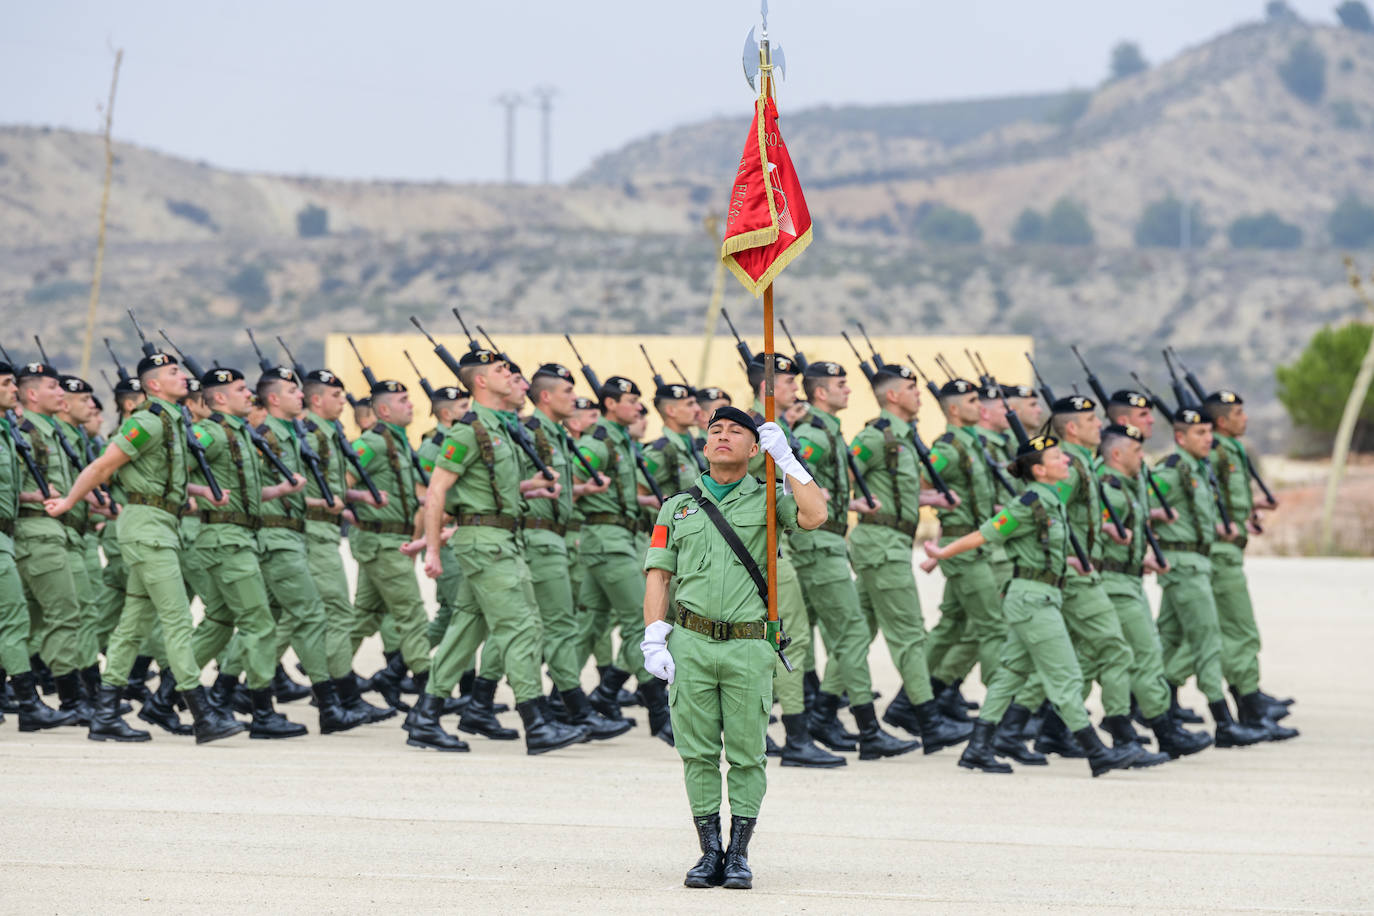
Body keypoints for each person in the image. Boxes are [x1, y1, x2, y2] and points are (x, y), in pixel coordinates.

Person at [642, 406, 826, 890]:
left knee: (747, 754)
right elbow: (660, 573)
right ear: (704, 447)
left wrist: (788, 461)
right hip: (692, 643)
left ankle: (739, 854)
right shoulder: (678, 506)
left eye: (736, 432)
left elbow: (815, 513)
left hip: (748, 644)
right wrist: (653, 636)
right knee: (697, 753)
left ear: (753, 447)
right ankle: (709, 853)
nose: (723, 437)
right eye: (715, 431)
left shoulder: (770, 500)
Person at [45, 351, 244, 744]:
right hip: (146, 529)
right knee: (176, 619)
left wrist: (206, 493)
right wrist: (69, 501)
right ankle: (202, 712)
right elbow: (103, 466)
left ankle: (105, 713)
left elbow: (164, 479)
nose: (182, 376)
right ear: (153, 385)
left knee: (133, 623)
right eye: (173, 373)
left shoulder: (174, 421)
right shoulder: (147, 421)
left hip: (159, 525)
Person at [925, 435, 1146, 777]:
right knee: (1066, 675)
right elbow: (985, 533)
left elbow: (1044, 548)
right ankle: (1097, 752)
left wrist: (1068, 563)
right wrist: (942, 553)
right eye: (1058, 457)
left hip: (1043, 595)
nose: (1066, 461)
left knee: (1012, 672)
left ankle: (978, 748)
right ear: (1040, 470)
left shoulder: (1052, 500)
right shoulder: (1028, 502)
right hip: (1032, 601)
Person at [407, 347, 585, 754]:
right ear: (482, 381)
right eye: (501, 370)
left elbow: (489, 493)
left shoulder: (500, 428)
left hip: (502, 538)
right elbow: (436, 493)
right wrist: (432, 550)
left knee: (468, 627)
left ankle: (425, 715)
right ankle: (536, 722)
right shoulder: (468, 429)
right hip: (486, 545)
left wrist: (532, 487)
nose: (511, 375)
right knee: (522, 627)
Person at [792, 359, 917, 760]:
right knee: (850, 634)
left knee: (834, 634)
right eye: (840, 385)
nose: (848, 390)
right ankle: (868, 730)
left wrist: (847, 500)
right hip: (816, 545)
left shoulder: (832, 429)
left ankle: (822, 718)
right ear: (820, 393)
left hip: (828, 542)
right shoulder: (813, 430)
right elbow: (787, 474)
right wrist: (816, 492)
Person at [847, 362, 972, 753]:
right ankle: (928, 722)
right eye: (911, 389)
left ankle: (819, 714)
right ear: (893, 396)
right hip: (880, 543)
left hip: (890, 542)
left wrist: (933, 498)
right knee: (910, 635)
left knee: (857, 632)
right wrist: (853, 503)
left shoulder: (903, 437)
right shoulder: (875, 436)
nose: (919, 395)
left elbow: (898, 492)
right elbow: (835, 482)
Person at [1149, 408, 1270, 748]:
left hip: (1196, 561)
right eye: (1199, 433)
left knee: (1171, 636)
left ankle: (1158, 707)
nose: (1207, 439)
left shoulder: (1197, 470)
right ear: (1180, 437)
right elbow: (1131, 508)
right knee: (1207, 641)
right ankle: (1224, 723)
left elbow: (1196, 518)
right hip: (1183, 565)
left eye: (1207, 432)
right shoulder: (1171, 471)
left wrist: (1229, 526)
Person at [1096, 423, 1212, 758]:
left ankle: (1120, 729)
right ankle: (1160, 731)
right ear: (1117, 454)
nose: (1142, 455)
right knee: (1143, 656)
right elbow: (1086, 533)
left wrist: (1142, 559)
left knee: (1110, 658)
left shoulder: (1127, 485)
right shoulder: (1106, 487)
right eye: (1135, 450)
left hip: (1129, 579)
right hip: (1114, 585)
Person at [573, 375, 671, 740]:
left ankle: (563, 705)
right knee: (640, 622)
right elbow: (566, 488)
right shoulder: (598, 442)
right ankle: (659, 716)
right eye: (630, 400)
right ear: (610, 404)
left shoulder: (621, 442)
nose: (637, 406)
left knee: (590, 627)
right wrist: (585, 490)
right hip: (607, 541)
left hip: (619, 538)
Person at [1202, 389, 1296, 737]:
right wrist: (1226, 524)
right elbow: (1201, 501)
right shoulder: (1214, 453)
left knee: (1193, 636)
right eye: (1239, 413)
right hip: (1217, 553)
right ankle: (1248, 704)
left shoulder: (1230, 450)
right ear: (1222, 420)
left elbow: (1225, 500)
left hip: (1228, 548)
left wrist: (1248, 514)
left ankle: (1248, 699)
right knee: (1238, 631)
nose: (1247, 418)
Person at [346, 379, 432, 710]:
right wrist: (357, 504)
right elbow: (339, 482)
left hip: (389, 538)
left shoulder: (396, 441)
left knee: (365, 617)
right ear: (383, 410)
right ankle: (430, 693)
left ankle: (329, 679)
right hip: (380, 540)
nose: (410, 405)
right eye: (402, 400)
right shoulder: (373, 443)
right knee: (411, 614)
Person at [923, 379, 1004, 717]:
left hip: (972, 546)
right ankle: (1004, 708)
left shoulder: (972, 444)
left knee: (952, 625)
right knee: (992, 627)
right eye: (973, 400)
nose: (980, 406)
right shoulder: (948, 448)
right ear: (954, 409)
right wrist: (936, 499)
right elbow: (917, 482)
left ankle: (914, 699)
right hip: (963, 548)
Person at [0, 360, 73, 731]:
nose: (12, 390)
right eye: (7, 383)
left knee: (16, 619)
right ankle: (30, 704)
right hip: (13, 536)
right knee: (14, 620)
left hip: (9, 535)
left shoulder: (7, 430)